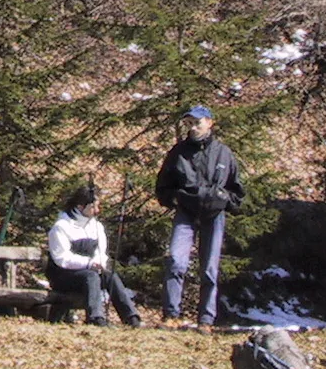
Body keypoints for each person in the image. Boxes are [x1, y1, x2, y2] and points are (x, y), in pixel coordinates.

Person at [157, 105, 245, 329]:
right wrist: (174, 199)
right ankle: (171, 316)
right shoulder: (178, 152)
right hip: (185, 213)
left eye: (197, 122)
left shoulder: (224, 153)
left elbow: (237, 191)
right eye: (189, 123)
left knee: (209, 268)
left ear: (209, 123)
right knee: (176, 261)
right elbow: (162, 186)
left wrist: (224, 200)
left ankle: (206, 319)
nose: (193, 127)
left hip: (214, 215)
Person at [45, 183, 140, 326]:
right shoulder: (61, 227)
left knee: (110, 276)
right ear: (80, 207)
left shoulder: (96, 226)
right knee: (91, 276)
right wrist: (89, 264)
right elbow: (62, 259)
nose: (97, 210)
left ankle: (131, 317)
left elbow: (101, 251)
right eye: (93, 207)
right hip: (63, 276)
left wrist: (98, 262)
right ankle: (95, 318)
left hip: (89, 272)